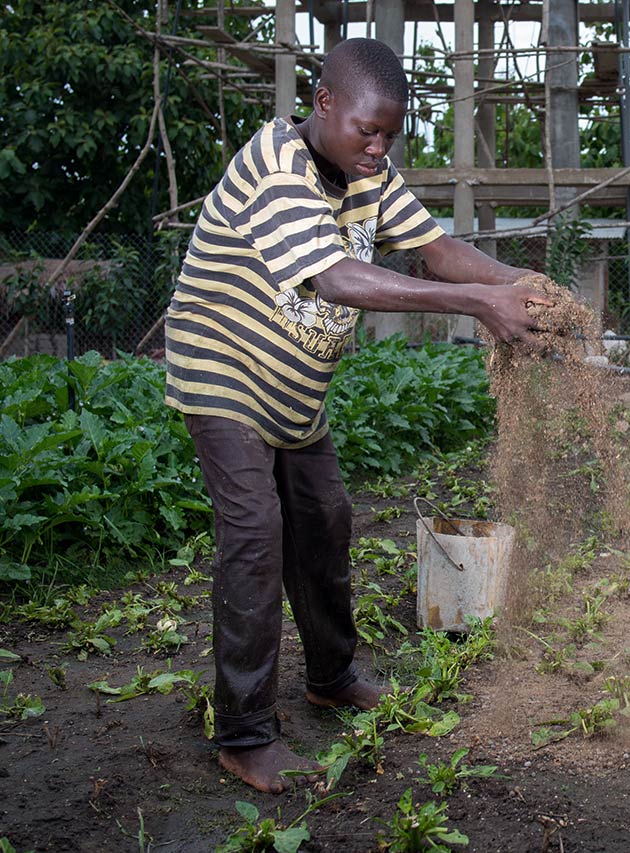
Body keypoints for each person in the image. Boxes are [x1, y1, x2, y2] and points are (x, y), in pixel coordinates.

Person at [164, 38, 546, 792]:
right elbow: (334, 276)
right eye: (367, 130)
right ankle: (244, 733)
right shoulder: (278, 168)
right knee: (254, 530)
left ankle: (331, 675)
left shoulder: (370, 175)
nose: (378, 147)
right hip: (221, 368)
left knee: (327, 516)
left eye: (391, 135)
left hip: (293, 385)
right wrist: (478, 304)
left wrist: (521, 282)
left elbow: (434, 249)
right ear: (324, 102)